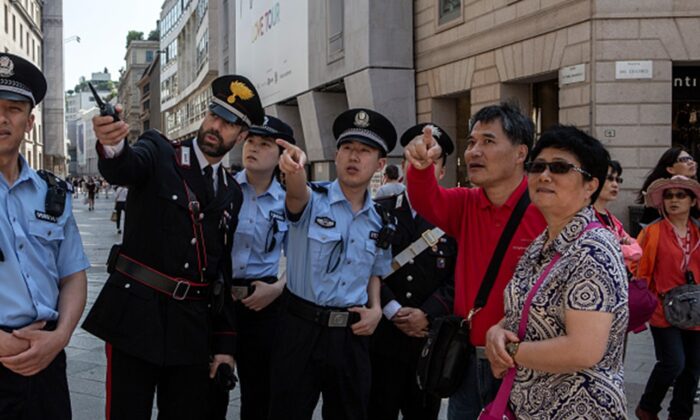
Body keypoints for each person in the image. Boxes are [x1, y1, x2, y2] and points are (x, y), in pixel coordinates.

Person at [81, 75, 264, 420]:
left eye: (229, 124)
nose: (215, 126)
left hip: (191, 328)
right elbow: (125, 166)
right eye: (214, 115)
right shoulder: (161, 151)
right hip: (136, 314)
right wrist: (112, 144)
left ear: (241, 137)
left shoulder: (231, 192)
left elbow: (220, 269)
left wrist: (225, 344)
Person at [403, 103, 546, 419]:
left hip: (521, 364)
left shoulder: (545, 211)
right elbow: (427, 199)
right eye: (471, 142)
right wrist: (421, 165)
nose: (473, 152)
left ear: (521, 153)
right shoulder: (466, 203)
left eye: (488, 141)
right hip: (464, 361)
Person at [485, 124, 629, 418]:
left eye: (560, 167)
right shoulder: (543, 242)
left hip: (579, 408)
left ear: (591, 185)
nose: (544, 175)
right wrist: (495, 332)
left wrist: (509, 352)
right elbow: (523, 308)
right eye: (537, 166)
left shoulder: (593, 249)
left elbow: (583, 349)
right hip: (529, 405)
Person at [269, 108, 395, 420]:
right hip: (300, 329)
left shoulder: (381, 221)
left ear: (380, 164)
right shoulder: (312, 200)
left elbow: (376, 270)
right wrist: (295, 169)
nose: (354, 157)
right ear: (336, 156)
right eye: (348, 148)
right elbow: (295, 192)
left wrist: (377, 308)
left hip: (350, 335)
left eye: (364, 151)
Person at [0, 52, 90, 420]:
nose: (2, 118)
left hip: (48, 362)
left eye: (14, 108)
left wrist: (60, 336)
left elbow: (73, 274)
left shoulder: (52, 193)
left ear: (30, 122)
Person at [369, 123, 457, 420]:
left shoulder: (456, 215)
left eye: (432, 161)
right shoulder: (379, 209)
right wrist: (393, 310)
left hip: (428, 341)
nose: (422, 166)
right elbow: (364, 265)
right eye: (415, 158)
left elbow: (459, 277)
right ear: (405, 165)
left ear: (442, 172)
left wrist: (428, 314)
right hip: (382, 337)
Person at [221, 116, 295, 420]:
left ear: (280, 156)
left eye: (265, 144)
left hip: (263, 300)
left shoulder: (290, 201)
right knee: (210, 386)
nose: (253, 148)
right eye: (251, 141)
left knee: (260, 392)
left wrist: (277, 289)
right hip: (219, 297)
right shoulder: (223, 188)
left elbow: (301, 257)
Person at [634, 175, 700, 420]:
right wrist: (646, 303)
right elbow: (639, 271)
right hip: (663, 310)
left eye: (681, 195)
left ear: (693, 201)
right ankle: (648, 407)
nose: (674, 200)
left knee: (692, 369)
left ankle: (679, 415)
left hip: (696, 310)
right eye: (669, 196)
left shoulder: (698, 232)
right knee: (673, 363)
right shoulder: (652, 233)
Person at [593, 160, 642, 271]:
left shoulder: (612, 219)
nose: (615, 184)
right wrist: (624, 248)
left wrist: (619, 249)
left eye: (618, 180)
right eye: (609, 179)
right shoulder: (586, 216)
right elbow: (603, 251)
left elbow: (637, 250)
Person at [638, 147, 697, 225]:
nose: (691, 162)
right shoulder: (660, 191)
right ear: (670, 169)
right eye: (684, 160)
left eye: (691, 159)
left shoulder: (694, 189)